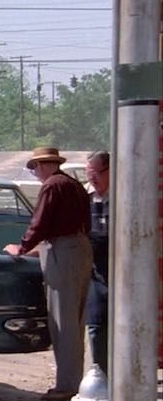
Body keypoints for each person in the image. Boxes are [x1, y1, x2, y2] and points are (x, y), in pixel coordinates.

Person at [3, 146, 92, 401]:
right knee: (76, 320)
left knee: (62, 320)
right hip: (80, 248)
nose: (35, 173)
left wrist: (22, 247)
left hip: (62, 251)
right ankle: (74, 380)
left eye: (34, 168)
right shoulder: (74, 185)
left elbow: (40, 223)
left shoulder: (52, 186)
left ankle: (67, 385)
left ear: (42, 165)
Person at [85, 151, 110, 374]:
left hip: (122, 270)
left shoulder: (123, 196)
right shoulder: (86, 197)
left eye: (96, 173)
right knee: (95, 324)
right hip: (96, 271)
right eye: (89, 173)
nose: (92, 178)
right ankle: (100, 372)